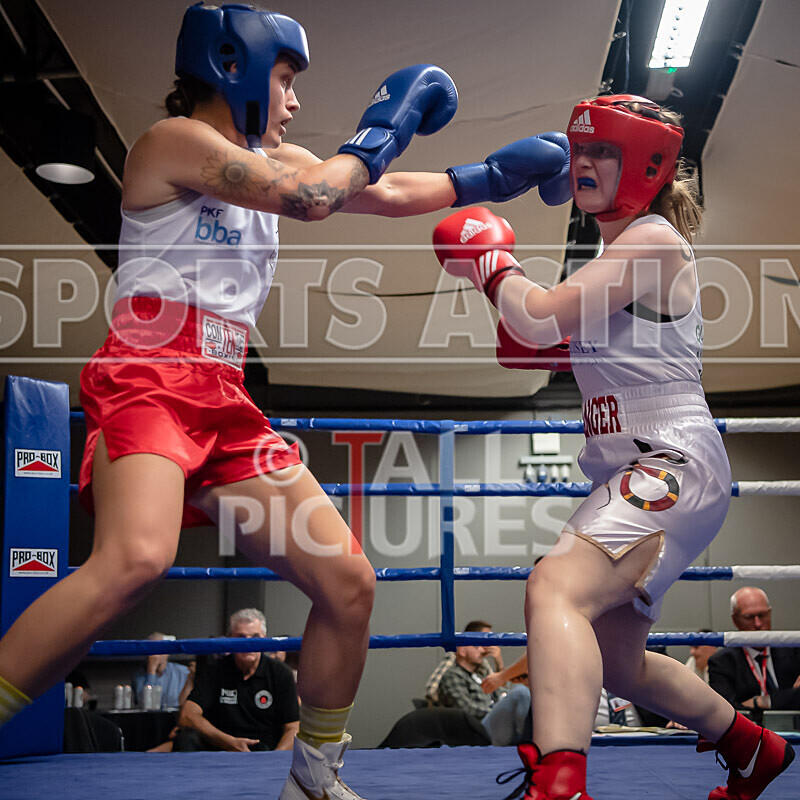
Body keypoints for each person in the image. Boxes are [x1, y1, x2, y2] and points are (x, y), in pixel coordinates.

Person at [0, 5, 570, 799]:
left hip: (224, 397)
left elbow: (388, 191)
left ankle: (313, 778)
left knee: (349, 582)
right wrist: (386, 121)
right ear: (236, 65)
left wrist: (494, 175)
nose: (295, 100)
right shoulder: (172, 144)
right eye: (287, 78)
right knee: (136, 557)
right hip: (149, 377)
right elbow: (312, 197)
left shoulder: (283, 160)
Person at [433, 94, 795, 799]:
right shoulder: (618, 254)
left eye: (603, 151)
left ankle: (560, 783)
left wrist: (489, 261)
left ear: (647, 165)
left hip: (670, 461)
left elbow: (535, 321)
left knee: (554, 588)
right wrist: (516, 305)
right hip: (636, 466)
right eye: (581, 151)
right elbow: (540, 344)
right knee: (615, 661)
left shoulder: (652, 240)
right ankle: (752, 747)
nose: (585, 164)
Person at [174, 609, 299, 751]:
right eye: (241, 637)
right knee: (185, 738)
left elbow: (293, 726)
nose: (248, 644)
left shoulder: (280, 673)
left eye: (255, 637)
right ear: (229, 639)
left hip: (263, 750)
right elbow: (188, 715)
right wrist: (227, 742)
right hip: (220, 747)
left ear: (264, 638)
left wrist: (273, 759)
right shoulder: (215, 670)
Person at [709, 587, 800, 712]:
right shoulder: (722, 662)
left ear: (770, 613)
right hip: (749, 731)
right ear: (735, 620)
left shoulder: (793, 649)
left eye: (762, 615)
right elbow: (729, 713)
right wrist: (789, 696)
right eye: (749, 617)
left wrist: (762, 701)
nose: (757, 624)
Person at [425, 619, 504, 705]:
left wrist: (498, 662)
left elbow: (499, 691)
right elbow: (431, 690)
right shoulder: (453, 659)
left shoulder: (482, 663)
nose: (489, 645)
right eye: (485, 641)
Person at [132, 632, 192, 709]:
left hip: (176, 716)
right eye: (152, 649)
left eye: (160, 648)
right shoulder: (139, 676)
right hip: (150, 718)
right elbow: (144, 704)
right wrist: (151, 671)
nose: (157, 653)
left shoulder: (183, 672)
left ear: (167, 652)